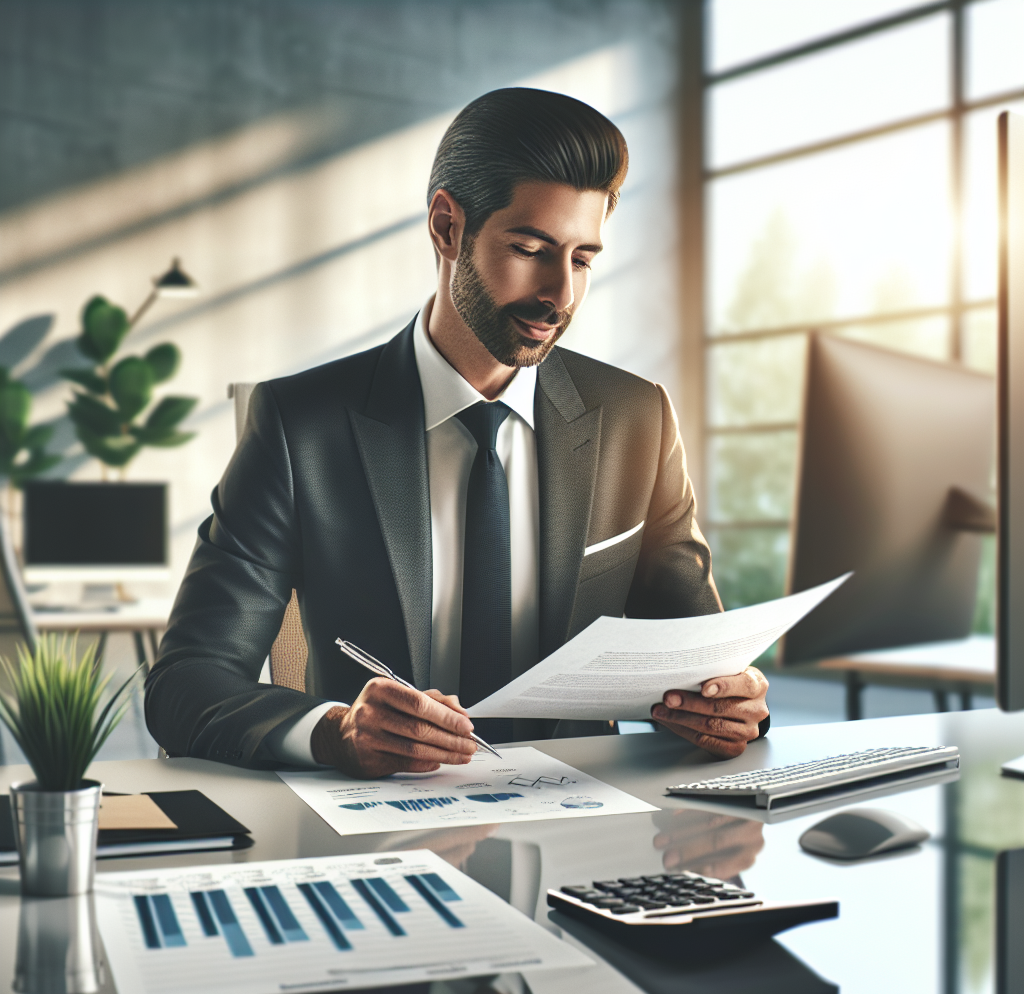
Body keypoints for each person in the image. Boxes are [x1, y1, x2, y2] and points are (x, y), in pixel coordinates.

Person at [145, 87, 769, 777]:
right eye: (530, 248)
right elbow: (186, 684)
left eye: (584, 259)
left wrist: (733, 702)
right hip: (381, 830)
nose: (560, 294)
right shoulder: (301, 427)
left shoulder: (637, 419)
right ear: (446, 227)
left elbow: (705, 664)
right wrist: (336, 732)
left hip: (590, 823)